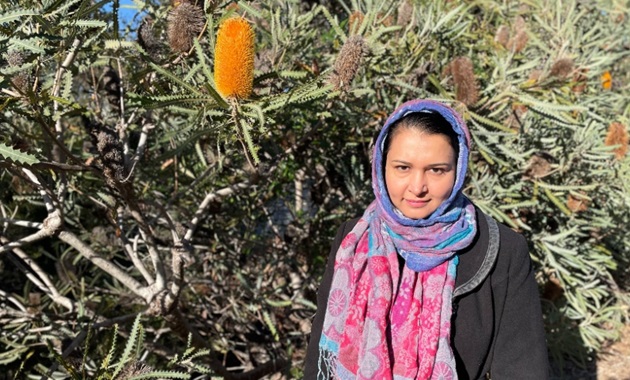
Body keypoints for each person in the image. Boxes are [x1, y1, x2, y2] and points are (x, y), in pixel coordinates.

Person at [304, 99, 549, 379]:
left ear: (458, 170)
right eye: (402, 168)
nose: (417, 187)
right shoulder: (354, 242)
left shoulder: (502, 251)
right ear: (382, 166)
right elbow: (319, 361)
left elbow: (522, 368)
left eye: (436, 170)